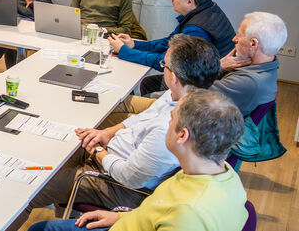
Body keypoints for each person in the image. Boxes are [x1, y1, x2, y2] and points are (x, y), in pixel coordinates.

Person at [8, 35, 221, 229]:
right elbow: (141, 119)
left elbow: (129, 178)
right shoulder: (182, 95)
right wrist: (107, 133)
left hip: (116, 183)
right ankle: (62, 198)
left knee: (31, 189)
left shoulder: (171, 128)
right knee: (51, 153)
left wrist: (97, 150)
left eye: (163, 65)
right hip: (108, 156)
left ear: (173, 77)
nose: (161, 67)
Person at [29, 89, 247, 231]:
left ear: (183, 135)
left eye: (171, 120)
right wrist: (123, 217)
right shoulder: (218, 174)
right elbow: (156, 211)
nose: (166, 125)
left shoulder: (188, 214)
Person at [108, 0, 235, 95]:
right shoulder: (206, 9)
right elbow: (167, 42)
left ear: (190, 1)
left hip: (201, 87)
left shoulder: (197, 29)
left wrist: (124, 50)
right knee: (148, 83)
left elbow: (165, 62)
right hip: (199, 76)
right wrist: (134, 45)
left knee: (148, 85)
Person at [212, 12, 288, 168]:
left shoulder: (248, 82)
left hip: (209, 147)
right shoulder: (268, 66)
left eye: (240, 34)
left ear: (253, 44)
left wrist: (218, 67)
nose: (235, 38)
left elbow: (189, 93)